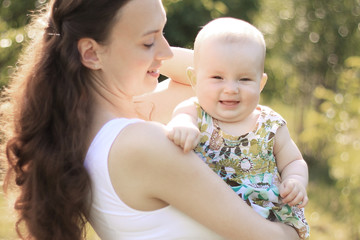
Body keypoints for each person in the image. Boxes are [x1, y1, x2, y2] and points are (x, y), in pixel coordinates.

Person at [0, 0, 300, 239]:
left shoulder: (91, 129)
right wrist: (295, 225)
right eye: (148, 42)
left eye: (163, 33)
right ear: (91, 53)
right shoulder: (142, 144)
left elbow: (211, 74)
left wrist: (149, 40)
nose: (167, 51)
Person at [167, 17, 310, 239]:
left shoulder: (271, 124)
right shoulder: (194, 113)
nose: (231, 89)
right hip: (208, 217)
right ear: (194, 80)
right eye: (217, 77)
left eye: (244, 79)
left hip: (265, 221)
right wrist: (182, 127)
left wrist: (295, 181)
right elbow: (180, 120)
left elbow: (293, 161)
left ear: (260, 83)